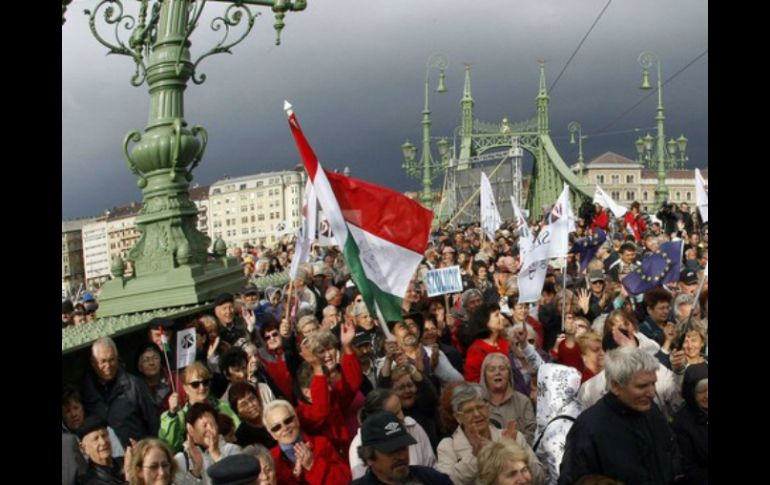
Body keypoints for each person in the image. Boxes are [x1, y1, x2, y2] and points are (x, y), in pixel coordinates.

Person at [559, 347, 678, 484]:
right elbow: (572, 478)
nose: (651, 393)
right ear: (616, 386)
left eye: (653, 383)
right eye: (642, 386)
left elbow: (670, 454)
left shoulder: (652, 412)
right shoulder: (589, 428)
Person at [435, 383, 544, 485]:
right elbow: (446, 482)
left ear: (488, 409)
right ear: (458, 418)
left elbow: (540, 477)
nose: (477, 414)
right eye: (469, 411)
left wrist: (513, 450)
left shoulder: (512, 437)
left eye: (480, 407)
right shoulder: (447, 447)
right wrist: (474, 457)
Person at [81, 337, 160, 447]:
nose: (108, 366)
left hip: (137, 454)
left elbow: (153, 422)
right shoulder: (86, 391)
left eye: (112, 360)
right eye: (103, 361)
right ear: (93, 363)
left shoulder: (135, 385)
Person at [348, 389, 436, 479]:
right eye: (395, 414)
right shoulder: (360, 444)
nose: (402, 416)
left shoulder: (413, 426)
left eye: (401, 409)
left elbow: (431, 465)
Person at [262, 399, 352, 485]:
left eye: (288, 420)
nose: (285, 428)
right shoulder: (271, 460)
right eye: (277, 427)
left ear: (297, 420)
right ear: (272, 434)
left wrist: (313, 465)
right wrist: (295, 477)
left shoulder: (321, 444)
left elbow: (345, 479)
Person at [352, 411, 452, 485]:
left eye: (403, 448)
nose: (401, 456)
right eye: (391, 451)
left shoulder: (432, 479)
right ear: (369, 457)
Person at [160, 362, 240, 453]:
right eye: (195, 384)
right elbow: (170, 445)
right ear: (185, 388)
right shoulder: (179, 417)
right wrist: (172, 414)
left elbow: (237, 432)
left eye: (205, 382)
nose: (202, 387)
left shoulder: (222, 406)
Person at [534, 364, 583, 485]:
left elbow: (560, 478)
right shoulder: (578, 409)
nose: (533, 394)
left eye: (539, 389)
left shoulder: (555, 432)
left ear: (550, 390)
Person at [173, 402, 243, 484]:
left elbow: (239, 480)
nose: (210, 430)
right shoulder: (181, 460)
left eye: (213, 424)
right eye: (205, 425)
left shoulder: (232, 450)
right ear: (190, 429)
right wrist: (195, 472)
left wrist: (217, 455)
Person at [478, 352, 537, 445]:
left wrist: (513, 443)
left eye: (502, 369)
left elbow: (532, 433)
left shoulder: (523, 401)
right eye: (492, 369)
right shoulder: (476, 403)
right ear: (484, 376)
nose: (498, 372)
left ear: (509, 374)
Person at [671, 363, 707, 485]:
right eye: (702, 391)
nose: (707, 396)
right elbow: (687, 467)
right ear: (691, 393)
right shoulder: (682, 422)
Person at [77, 416, 127, 484]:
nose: (103, 442)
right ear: (83, 448)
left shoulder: (124, 462)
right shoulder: (88, 481)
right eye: (95, 439)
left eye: (104, 435)